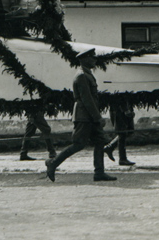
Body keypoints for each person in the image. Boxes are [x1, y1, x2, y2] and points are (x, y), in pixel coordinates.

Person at [46, 48, 116, 182]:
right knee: (79, 144)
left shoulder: (87, 74)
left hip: (89, 115)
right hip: (84, 116)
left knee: (100, 141)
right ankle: (53, 163)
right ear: (84, 59)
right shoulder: (82, 76)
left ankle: (99, 173)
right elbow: (87, 99)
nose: (94, 60)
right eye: (91, 57)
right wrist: (98, 117)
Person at [104, 99, 135, 166]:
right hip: (119, 108)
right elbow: (118, 95)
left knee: (129, 130)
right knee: (122, 132)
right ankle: (122, 158)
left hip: (125, 106)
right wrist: (125, 109)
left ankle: (110, 147)